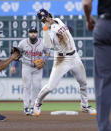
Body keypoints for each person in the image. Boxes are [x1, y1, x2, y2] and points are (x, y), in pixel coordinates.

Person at [33, 9, 96, 116]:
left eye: (46, 16)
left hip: (75, 56)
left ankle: (85, 106)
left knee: (83, 83)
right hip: (62, 60)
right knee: (50, 86)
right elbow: (47, 46)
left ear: (49, 14)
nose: (46, 19)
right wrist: (45, 29)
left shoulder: (58, 20)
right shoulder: (47, 31)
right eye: (43, 19)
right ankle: (37, 102)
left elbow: (66, 31)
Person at [83, 0, 111, 131]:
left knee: (103, 82)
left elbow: (86, 4)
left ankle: (104, 128)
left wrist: (88, 20)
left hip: (105, 24)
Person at [10, 26, 49, 115]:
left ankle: (32, 107)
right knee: (26, 87)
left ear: (37, 33)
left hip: (38, 68)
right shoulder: (23, 43)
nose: (33, 34)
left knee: (36, 87)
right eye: (31, 32)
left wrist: (44, 60)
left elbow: (47, 52)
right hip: (26, 66)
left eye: (34, 32)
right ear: (28, 33)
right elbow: (17, 55)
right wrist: (13, 66)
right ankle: (26, 107)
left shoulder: (42, 42)